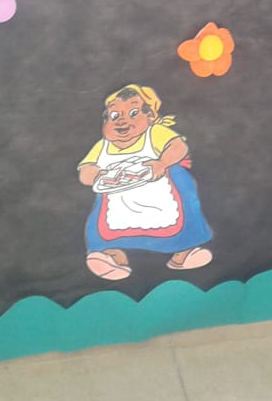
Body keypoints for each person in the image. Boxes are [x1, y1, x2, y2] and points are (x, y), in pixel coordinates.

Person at [77, 85, 213, 280]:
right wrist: (96, 175)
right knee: (104, 220)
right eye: (114, 116)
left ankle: (184, 252)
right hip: (119, 198)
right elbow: (85, 171)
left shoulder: (155, 133)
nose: (121, 120)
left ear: (149, 117)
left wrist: (162, 163)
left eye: (133, 113)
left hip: (161, 190)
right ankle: (111, 255)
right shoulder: (102, 146)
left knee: (183, 193)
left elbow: (178, 147)